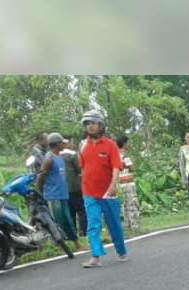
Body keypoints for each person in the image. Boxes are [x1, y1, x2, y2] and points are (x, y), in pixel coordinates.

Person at [78, 111, 128, 267]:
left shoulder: (110, 144)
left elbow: (116, 167)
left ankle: (121, 251)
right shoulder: (82, 145)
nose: (90, 126)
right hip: (89, 192)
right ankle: (96, 256)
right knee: (93, 225)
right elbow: (83, 168)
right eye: (87, 124)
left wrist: (113, 185)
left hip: (108, 193)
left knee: (114, 224)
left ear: (100, 125)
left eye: (93, 123)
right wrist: (83, 188)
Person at [36, 132, 79, 248]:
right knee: (57, 222)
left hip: (62, 194)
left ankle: (76, 244)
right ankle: (60, 246)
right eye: (62, 143)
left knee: (68, 220)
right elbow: (40, 176)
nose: (64, 145)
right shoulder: (49, 159)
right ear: (57, 144)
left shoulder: (59, 156)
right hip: (54, 196)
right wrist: (41, 192)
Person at [60, 138, 87, 238]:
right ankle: (83, 231)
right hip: (75, 187)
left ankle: (73, 233)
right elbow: (80, 169)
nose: (72, 144)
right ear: (67, 143)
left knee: (70, 212)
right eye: (71, 142)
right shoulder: (72, 154)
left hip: (63, 189)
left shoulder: (56, 154)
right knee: (81, 210)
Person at [116, 135, 140, 232]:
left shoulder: (115, 155)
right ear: (124, 144)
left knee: (124, 205)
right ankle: (134, 225)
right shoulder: (125, 156)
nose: (128, 145)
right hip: (128, 183)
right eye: (127, 143)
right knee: (132, 204)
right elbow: (132, 168)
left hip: (119, 183)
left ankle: (126, 224)